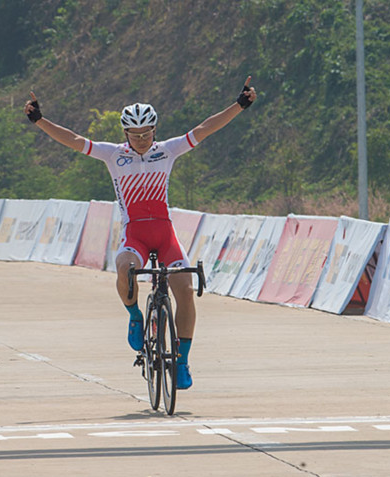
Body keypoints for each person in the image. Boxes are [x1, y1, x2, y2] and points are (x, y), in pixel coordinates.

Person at [24, 77, 257, 389]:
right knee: (125, 268)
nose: (142, 139)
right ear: (126, 134)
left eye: (146, 133)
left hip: (165, 233)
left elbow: (205, 128)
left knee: (186, 291)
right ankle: (134, 315)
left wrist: (240, 105)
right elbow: (73, 139)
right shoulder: (112, 154)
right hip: (134, 235)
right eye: (135, 134)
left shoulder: (168, 150)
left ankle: (182, 361)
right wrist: (39, 120)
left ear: (154, 131)